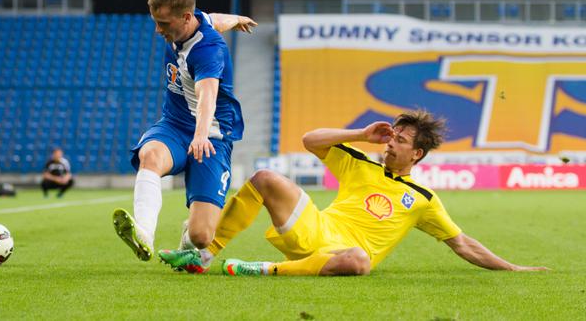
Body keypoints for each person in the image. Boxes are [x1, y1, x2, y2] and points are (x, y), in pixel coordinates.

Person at [159, 110, 548, 276]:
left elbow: (462, 244)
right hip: (313, 232)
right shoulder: (359, 162)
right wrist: (361, 134)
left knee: (361, 261)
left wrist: (513, 267)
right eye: (392, 136)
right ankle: (204, 254)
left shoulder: (423, 200)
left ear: (418, 154)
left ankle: (261, 270)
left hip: (342, 257)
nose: (392, 143)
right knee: (264, 177)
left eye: (402, 140)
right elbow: (310, 139)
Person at [112, 0, 257, 263]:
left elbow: (207, 96)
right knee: (150, 155)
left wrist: (201, 135)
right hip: (175, 125)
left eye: (164, 23)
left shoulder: (207, 50)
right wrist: (237, 19)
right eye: (155, 21)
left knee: (202, 236)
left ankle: (188, 232)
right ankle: (143, 233)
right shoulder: (197, 19)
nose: (158, 30)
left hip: (212, 135)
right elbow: (214, 19)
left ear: (185, 17)